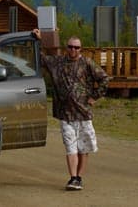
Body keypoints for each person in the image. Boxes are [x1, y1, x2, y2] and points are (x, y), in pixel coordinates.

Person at [32, 29, 109, 191]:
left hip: (83, 114)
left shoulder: (87, 63)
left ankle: (79, 178)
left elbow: (104, 78)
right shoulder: (58, 62)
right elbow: (41, 59)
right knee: (70, 147)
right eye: (71, 47)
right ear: (67, 48)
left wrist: (95, 97)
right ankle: (73, 178)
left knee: (84, 148)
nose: (73, 50)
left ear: (81, 49)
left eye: (77, 47)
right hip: (65, 114)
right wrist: (37, 39)